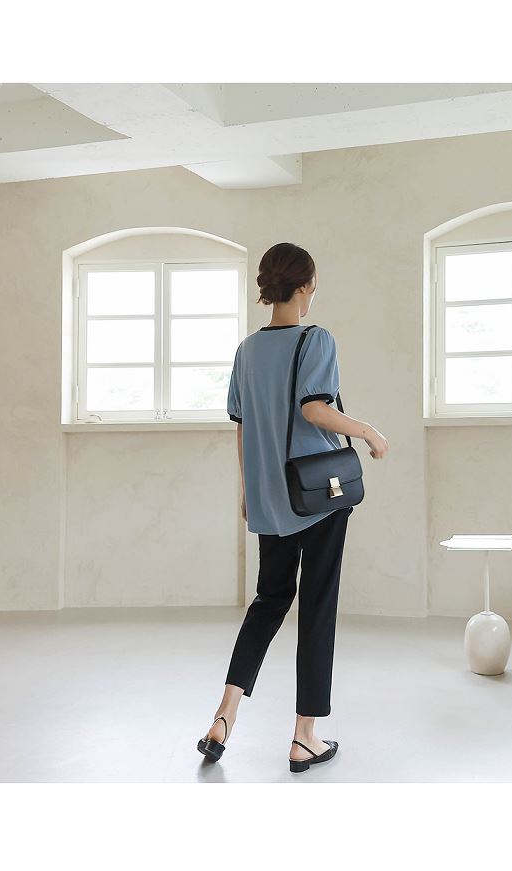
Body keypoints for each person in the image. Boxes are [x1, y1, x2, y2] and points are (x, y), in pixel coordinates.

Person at [197, 242, 389, 773]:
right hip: (318, 497)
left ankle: (224, 715)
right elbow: (315, 410)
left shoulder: (246, 351)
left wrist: (249, 490)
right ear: (305, 286)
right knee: (317, 605)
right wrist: (368, 431)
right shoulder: (316, 339)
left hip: (271, 498)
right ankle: (304, 737)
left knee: (269, 600)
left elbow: (242, 429)